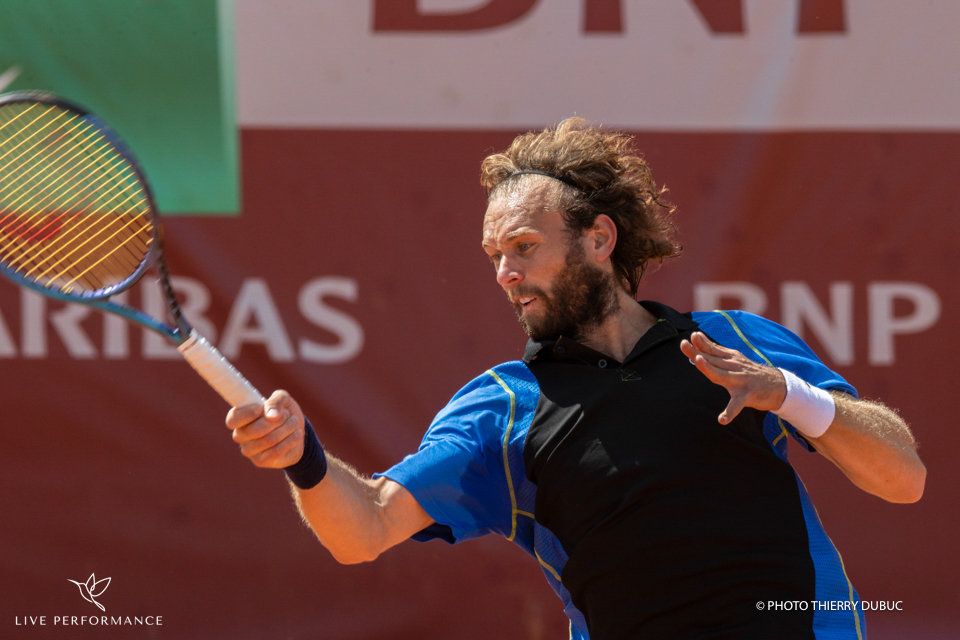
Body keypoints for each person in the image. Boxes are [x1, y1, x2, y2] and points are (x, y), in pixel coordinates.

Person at [226, 119, 925, 639]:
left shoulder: (736, 342)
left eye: (524, 248)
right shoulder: (502, 409)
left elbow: (903, 477)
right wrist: (304, 460)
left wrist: (789, 394)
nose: (506, 274)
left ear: (599, 239)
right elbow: (367, 528)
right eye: (494, 256)